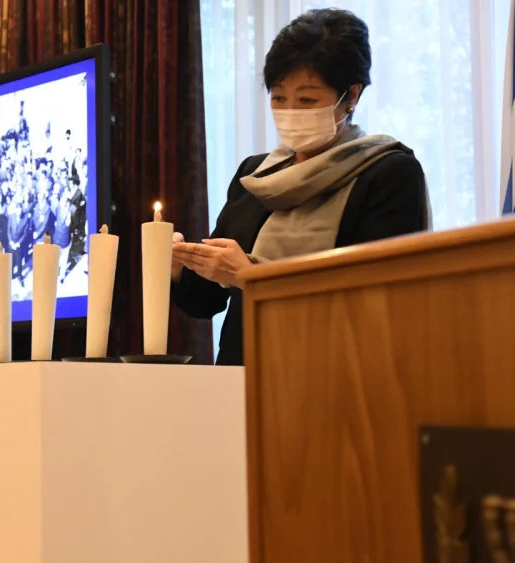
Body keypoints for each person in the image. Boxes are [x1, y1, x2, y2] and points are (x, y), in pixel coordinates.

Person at [171, 8, 430, 366]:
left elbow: (376, 301)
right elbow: (206, 301)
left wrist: (251, 276)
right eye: (278, 98)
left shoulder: (389, 173)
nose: (290, 111)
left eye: (307, 99)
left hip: (331, 383)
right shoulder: (256, 175)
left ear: (351, 96)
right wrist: (178, 264)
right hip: (238, 382)